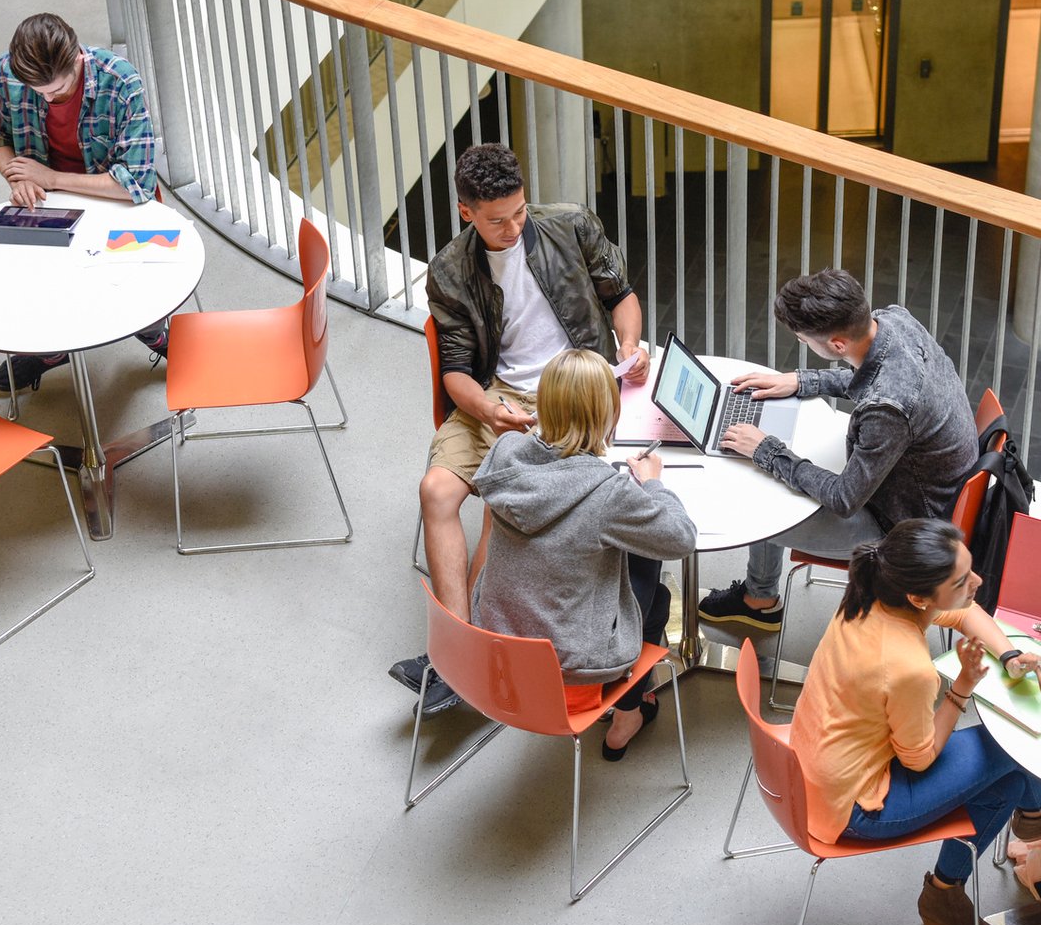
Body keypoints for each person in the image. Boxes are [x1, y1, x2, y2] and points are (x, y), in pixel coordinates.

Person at [390, 143, 649, 715]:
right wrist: (487, 410)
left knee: (499, 506)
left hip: (569, 388)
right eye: (496, 220)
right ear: (466, 213)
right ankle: (458, 649)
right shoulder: (451, 271)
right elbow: (456, 372)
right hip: (495, 396)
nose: (512, 227)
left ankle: (468, 657)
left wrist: (628, 345)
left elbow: (621, 296)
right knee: (436, 491)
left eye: (519, 212)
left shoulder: (572, 225)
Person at [792, 518, 1041, 925]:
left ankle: (959, 880)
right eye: (963, 580)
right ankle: (1039, 814)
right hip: (854, 808)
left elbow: (962, 610)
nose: (978, 581)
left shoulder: (869, 597)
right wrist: (961, 689)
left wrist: (1009, 654)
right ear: (919, 597)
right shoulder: (908, 668)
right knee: (1012, 744)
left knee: (1010, 781)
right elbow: (919, 759)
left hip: (810, 768)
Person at [696, 269, 978, 632]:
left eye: (804, 339)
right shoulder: (894, 321)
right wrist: (801, 380)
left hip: (902, 527)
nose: (803, 343)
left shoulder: (887, 410)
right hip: (929, 494)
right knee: (780, 474)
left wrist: (766, 449)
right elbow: (872, 374)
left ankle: (759, 599)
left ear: (837, 345)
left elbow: (845, 498)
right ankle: (759, 597)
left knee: (760, 510)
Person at [467, 349, 695, 756]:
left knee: (630, 552)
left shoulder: (505, 453)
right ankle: (627, 713)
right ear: (608, 415)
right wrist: (653, 483)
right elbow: (681, 537)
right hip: (568, 681)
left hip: (495, 656)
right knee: (656, 591)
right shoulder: (610, 492)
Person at [0, 13, 163, 397]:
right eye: (37, 91)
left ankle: (153, 334)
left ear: (78, 59)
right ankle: (53, 351)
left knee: (134, 287)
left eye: (57, 89)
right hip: (48, 205)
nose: (47, 98)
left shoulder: (121, 79)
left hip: (118, 201)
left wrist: (49, 177)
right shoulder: (4, 73)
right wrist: (19, 176)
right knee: (40, 286)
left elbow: (136, 185)